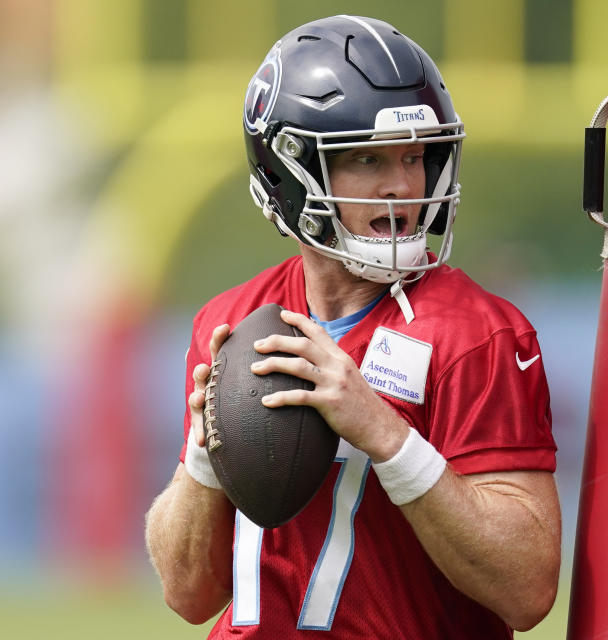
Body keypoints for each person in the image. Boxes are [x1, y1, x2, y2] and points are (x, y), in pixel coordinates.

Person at [144, 15, 561, 638]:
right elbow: (188, 592)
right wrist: (204, 460)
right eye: (365, 159)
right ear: (290, 172)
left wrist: (386, 436)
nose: (402, 186)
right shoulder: (231, 322)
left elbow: (527, 591)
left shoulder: (479, 336)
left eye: (416, 156)